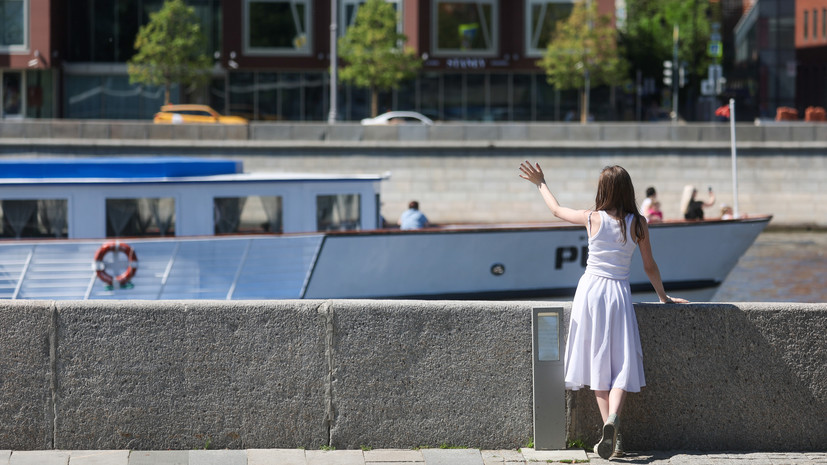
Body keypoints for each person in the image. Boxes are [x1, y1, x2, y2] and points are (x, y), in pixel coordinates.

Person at [519, 161, 687, 460]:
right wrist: (663, 297)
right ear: (628, 190)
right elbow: (649, 266)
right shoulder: (639, 223)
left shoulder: (592, 218)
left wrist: (540, 183)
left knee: (596, 359)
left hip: (591, 292)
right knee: (623, 361)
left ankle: (612, 434)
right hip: (618, 293)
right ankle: (614, 424)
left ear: (603, 190)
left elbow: (556, 210)